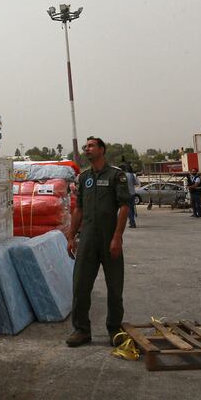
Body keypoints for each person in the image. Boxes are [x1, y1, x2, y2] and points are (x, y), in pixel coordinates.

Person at [66, 137, 132, 347]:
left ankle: (114, 329)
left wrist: (117, 237)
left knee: (114, 287)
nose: (87, 149)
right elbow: (79, 209)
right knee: (80, 285)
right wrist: (70, 236)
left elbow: (124, 207)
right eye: (86, 146)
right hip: (87, 240)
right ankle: (82, 330)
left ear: (102, 150)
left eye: (91, 146)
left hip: (109, 239)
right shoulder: (84, 177)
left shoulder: (116, 175)